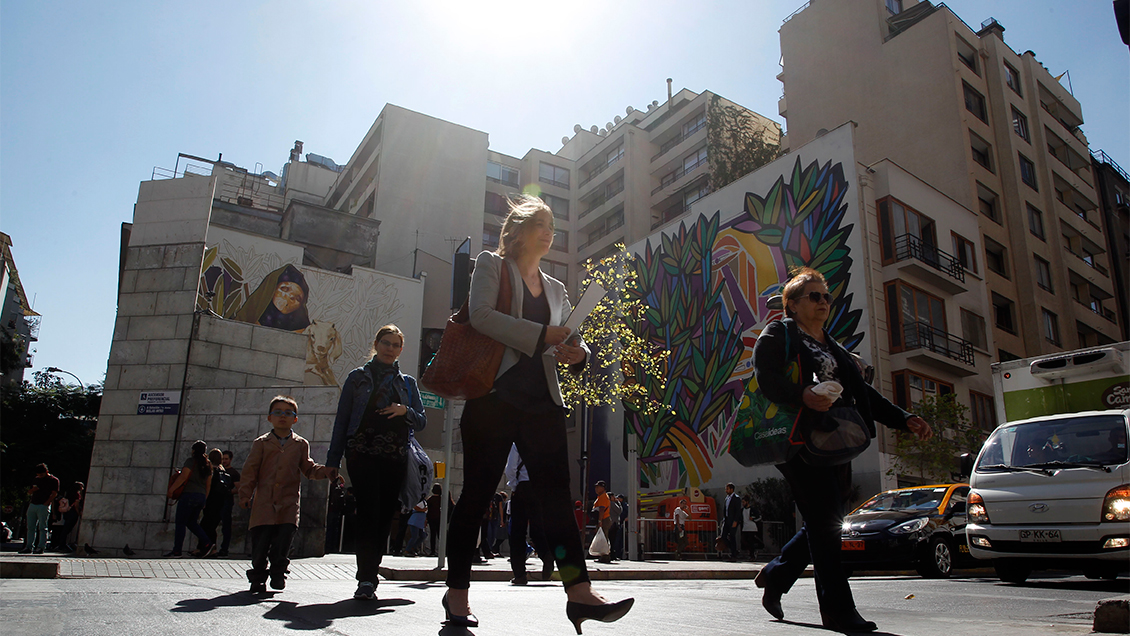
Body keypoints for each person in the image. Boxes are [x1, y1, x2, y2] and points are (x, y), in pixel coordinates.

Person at [443, 196, 633, 633]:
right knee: (475, 495)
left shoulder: (556, 288)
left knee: (557, 499)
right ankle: (457, 594)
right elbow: (482, 316)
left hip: (542, 402)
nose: (549, 233)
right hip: (493, 397)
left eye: (552, 226)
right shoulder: (491, 265)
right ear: (519, 229)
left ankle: (579, 591)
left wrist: (576, 353)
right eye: (540, 224)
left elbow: (563, 340)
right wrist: (542, 333)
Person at [751, 267, 932, 633]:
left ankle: (777, 573)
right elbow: (765, 377)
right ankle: (837, 611)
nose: (822, 302)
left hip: (834, 441)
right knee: (826, 523)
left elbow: (864, 395)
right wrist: (800, 394)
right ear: (792, 305)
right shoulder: (779, 334)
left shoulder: (834, 347)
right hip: (798, 441)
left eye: (826, 296)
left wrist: (903, 418)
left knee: (828, 520)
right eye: (813, 296)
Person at [327, 324, 427, 601]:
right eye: (386, 343)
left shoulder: (407, 383)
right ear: (376, 343)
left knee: (384, 516)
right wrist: (333, 460)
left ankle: (371, 575)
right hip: (362, 453)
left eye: (395, 345)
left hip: (395, 456)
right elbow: (342, 420)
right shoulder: (357, 378)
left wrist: (404, 409)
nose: (390, 349)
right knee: (368, 511)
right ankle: (366, 579)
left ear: (400, 350)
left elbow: (421, 420)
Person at [239, 395, 336, 593]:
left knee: (283, 543)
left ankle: (278, 572)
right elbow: (251, 471)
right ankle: (258, 577)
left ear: (295, 419)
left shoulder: (300, 444)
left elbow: (308, 469)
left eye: (288, 413)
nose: (282, 416)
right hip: (264, 503)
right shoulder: (262, 443)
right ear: (269, 418)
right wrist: (245, 494)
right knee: (260, 544)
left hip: (288, 504)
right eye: (278, 412)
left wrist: (326, 472)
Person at [505, 444, 553, 585]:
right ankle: (546, 554)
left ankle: (520, 575)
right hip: (540, 489)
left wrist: (515, 486)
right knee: (538, 528)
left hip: (523, 487)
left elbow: (511, 468)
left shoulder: (517, 443)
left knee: (517, 532)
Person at [165, 441, 214, 558]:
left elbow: (183, 477)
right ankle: (207, 542)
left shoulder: (191, 462)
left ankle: (177, 550)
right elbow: (208, 485)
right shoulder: (208, 465)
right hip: (200, 497)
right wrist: (204, 499)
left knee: (181, 523)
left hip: (189, 495)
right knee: (191, 522)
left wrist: (172, 489)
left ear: (193, 451)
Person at [234, 264, 311, 332]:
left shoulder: (303, 332)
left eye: (298, 298)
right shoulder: (250, 317)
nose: (290, 297)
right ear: (271, 290)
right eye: (285, 289)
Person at [198, 449, 230, 556]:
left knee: (206, 525)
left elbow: (208, 486)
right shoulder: (223, 471)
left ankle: (208, 547)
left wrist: (204, 500)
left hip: (211, 500)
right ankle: (210, 547)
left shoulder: (211, 471)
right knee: (212, 526)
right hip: (220, 502)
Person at [21, 464, 59, 554]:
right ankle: (29, 546)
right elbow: (29, 491)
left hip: (43, 505)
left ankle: (41, 547)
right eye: (38, 474)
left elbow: (54, 493)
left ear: (46, 471)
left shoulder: (53, 480)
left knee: (42, 527)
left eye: (41, 474)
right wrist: (32, 490)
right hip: (33, 504)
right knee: (30, 527)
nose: (40, 476)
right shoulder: (36, 479)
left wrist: (46, 503)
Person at [217, 450, 241, 556]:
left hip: (226, 501)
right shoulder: (218, 471)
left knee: (226, 526)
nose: (224, 461)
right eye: (223, 459)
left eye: (226, 459)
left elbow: (239, 488)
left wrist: (229, 492)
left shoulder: (233, 473)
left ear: (230, 460)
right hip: (217, 501)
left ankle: (224, 549)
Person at [51, 481, 84, 553]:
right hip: (73, 513)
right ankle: (62, 544)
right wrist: (78, 512)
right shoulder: (77, 495)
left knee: (66, 528)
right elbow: (76, 504)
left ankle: (61, 543)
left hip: (67, 512)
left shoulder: (68, 493)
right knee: (67, 529)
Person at [591, 481, 613, 564]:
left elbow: (601, 509)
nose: (596, 489)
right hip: (602, 519)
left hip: (604, 519)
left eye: (598, 487)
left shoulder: (603, 497)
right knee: (602, 538)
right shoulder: (600, 497)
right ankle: (603, 556)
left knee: (604, 538)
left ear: (603, 488)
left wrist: (600, 521)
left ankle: (606, 556)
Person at [720, 483, 741, 561]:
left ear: (732, 489)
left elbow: (738, 511)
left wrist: (735, 521)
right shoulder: (727, 498)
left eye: (727, 489)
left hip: (733, 521)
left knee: (732, 537)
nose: (726, 491)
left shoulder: (736, 498)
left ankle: (733, 555)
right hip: (726, 520)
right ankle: (734, 550)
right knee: (723, 536)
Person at [741, 496, 763, 561]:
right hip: (745, 528)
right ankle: (751, 551)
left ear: (747, 502)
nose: (743, 504)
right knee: (743, 540)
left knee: (751, 541)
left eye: (744, 502)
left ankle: (752, 555)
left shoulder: (753, 509)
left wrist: (753, 519)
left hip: (752, 528)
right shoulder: (742, 510)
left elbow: (759, 517)